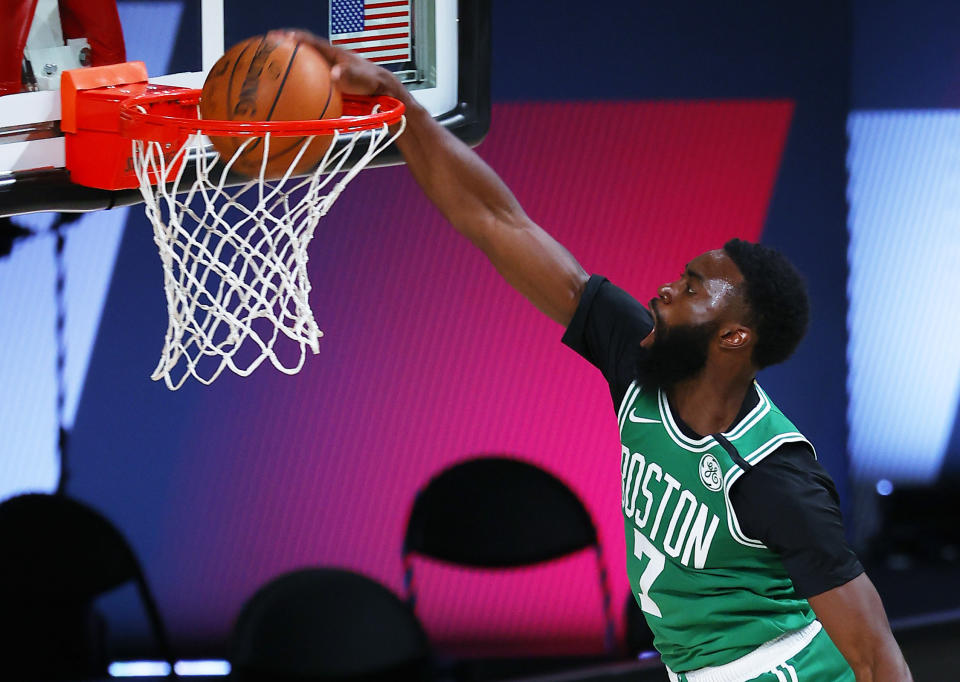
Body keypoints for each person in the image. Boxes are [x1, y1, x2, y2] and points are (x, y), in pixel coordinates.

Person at [290, 31, 913, 682]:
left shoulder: (772, 478)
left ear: (733, 338)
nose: (667, 289)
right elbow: (499, 222)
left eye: (694, 288)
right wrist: (399, 104)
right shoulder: (642, 355)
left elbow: (876, 657)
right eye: (681, 275)